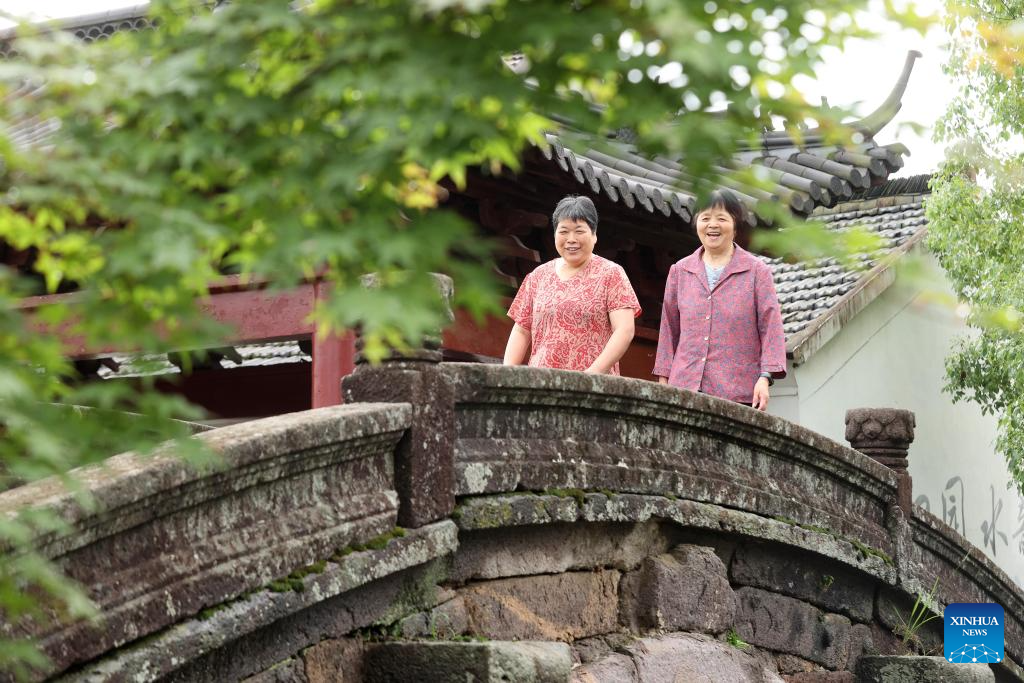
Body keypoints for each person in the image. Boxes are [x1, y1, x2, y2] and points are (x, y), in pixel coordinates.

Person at [653, 188, 786, 410]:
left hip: (738, 392)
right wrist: (664, 378)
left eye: (721, 218)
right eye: (705, 218)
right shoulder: (680, 271)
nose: (712, 225)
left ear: (735, 225)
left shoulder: (757, 272)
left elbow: (771, 327)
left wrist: (765, 378)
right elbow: (669, 329)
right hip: (685, 388)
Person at [504, 195, 641, 374]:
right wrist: (507, 374)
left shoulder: (611, 274)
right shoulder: (538, 276)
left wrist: (592, 373)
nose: (571, 239)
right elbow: (522, 331)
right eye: (563, 231)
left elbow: (624, 330)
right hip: (542, 384)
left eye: (579, 231)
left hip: (592, 386)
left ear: (594, 235)